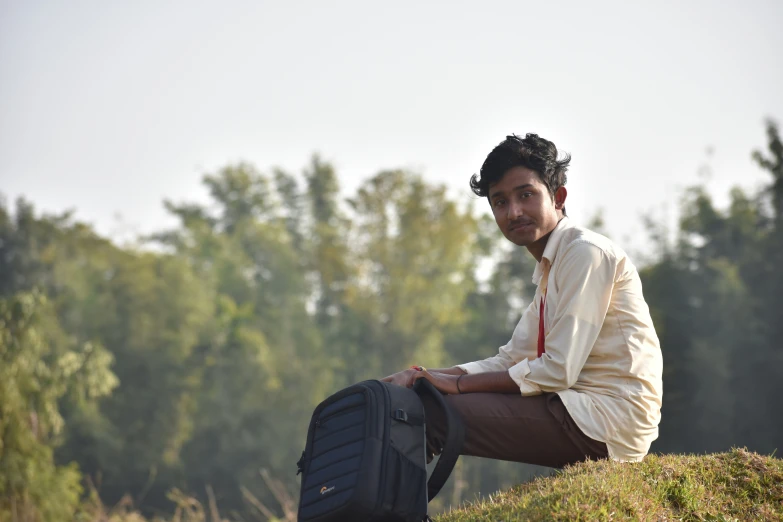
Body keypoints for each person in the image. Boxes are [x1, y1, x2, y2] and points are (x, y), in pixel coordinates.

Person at [382, 133, 663, 466]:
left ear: (558, 197)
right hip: (576, 407)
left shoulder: (585, 254)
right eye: (500, 202)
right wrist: (420, 376)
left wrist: (453, 385)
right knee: (411, 399)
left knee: (424, 411)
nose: (513, 212)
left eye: (526, 195)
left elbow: (557, 371)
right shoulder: (552, 268)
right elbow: (510, 361)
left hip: (606, 420)